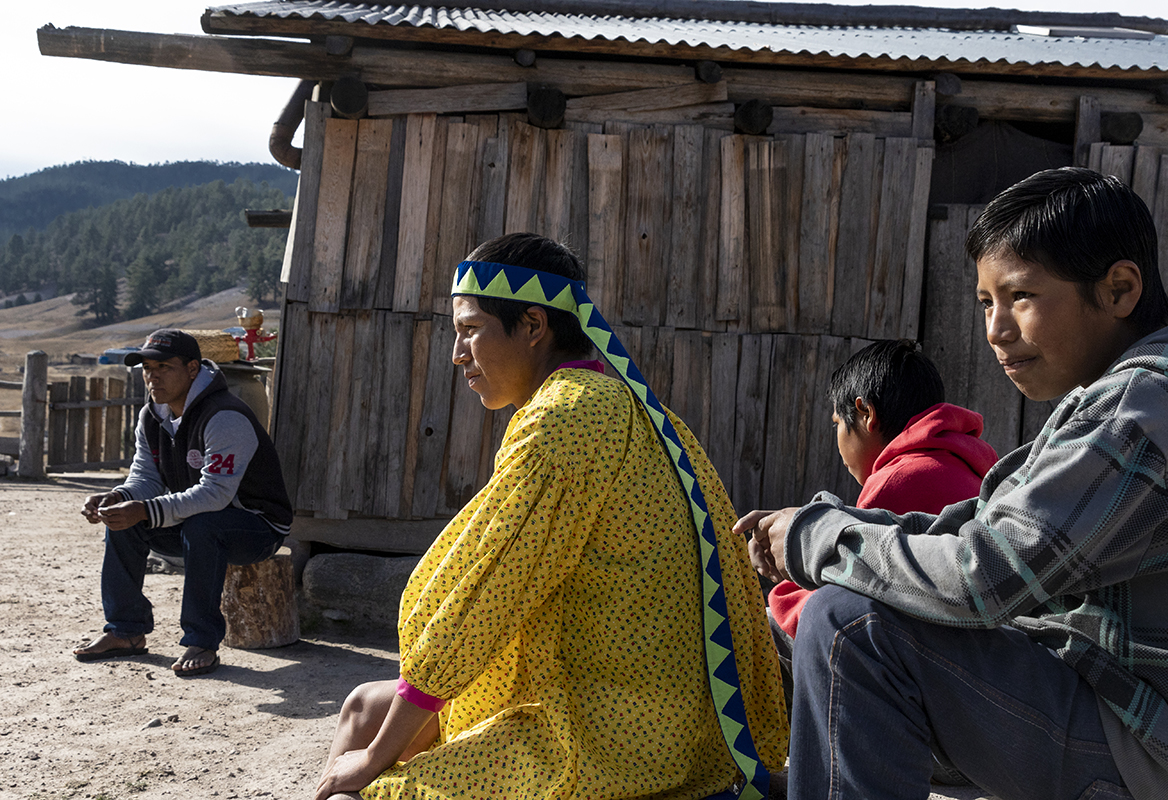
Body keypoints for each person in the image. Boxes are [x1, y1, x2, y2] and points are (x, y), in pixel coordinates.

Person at [738, 167, 1168, 800]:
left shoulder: (1143, 408)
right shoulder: (1136, 392)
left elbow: (988, 574)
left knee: (850, 625)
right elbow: (980, 529)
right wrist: (817, 528)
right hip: (1126, 722)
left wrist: (818, 540)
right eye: (987, 303)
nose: (996, 329)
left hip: (1153, 750)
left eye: (1021, 297)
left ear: (1118, 289)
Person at [315, 233, 787, 800]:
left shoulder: (565, 421)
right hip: (658, 717)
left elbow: (482, 597)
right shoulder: (623, 404)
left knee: (365, 787)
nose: (458, 354)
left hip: (613, 739)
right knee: (365, 707)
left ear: (534, 326)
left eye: (470, 330)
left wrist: (373, 762)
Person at [751, 339, 998, 658]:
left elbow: (846, 586)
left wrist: (780, 592)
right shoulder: (962, 464)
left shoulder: (901, 479)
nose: (838, 445)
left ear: (866, 413)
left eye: (838, 425)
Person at [74, 329, 292, 677]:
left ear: (193, 369)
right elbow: (146, 478)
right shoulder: (151, 416)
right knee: (122, 521)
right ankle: (126, 631)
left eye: (164, 366)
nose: (153, 375)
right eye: (147, 367)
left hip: (257, 526)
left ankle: (202, 640)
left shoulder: (225, 415)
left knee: (202, 524)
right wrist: (119, 497)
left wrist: (145, 509)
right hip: (197, 519)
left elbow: (216, 494)